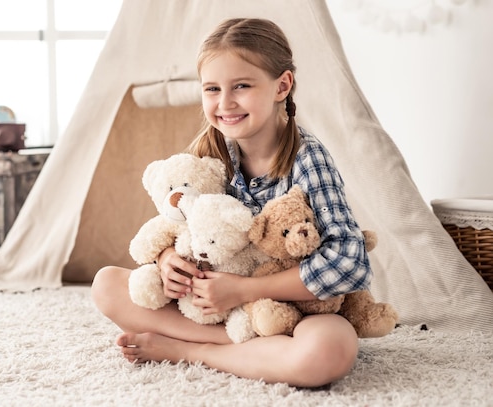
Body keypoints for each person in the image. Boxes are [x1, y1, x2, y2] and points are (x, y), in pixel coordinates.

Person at [91, 17, 372, 388]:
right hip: (217, 307)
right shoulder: (209, 153)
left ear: (281, 86)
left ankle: (192, 350)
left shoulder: (308, 159)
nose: (225, 103)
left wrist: (244, 291)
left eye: (241, 86)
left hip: (291, 310)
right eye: (212, 89)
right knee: (107, 285)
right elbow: (175, 225)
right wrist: (167, 261)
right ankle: (246, 346)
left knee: (329, 350)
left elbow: (350, 262)